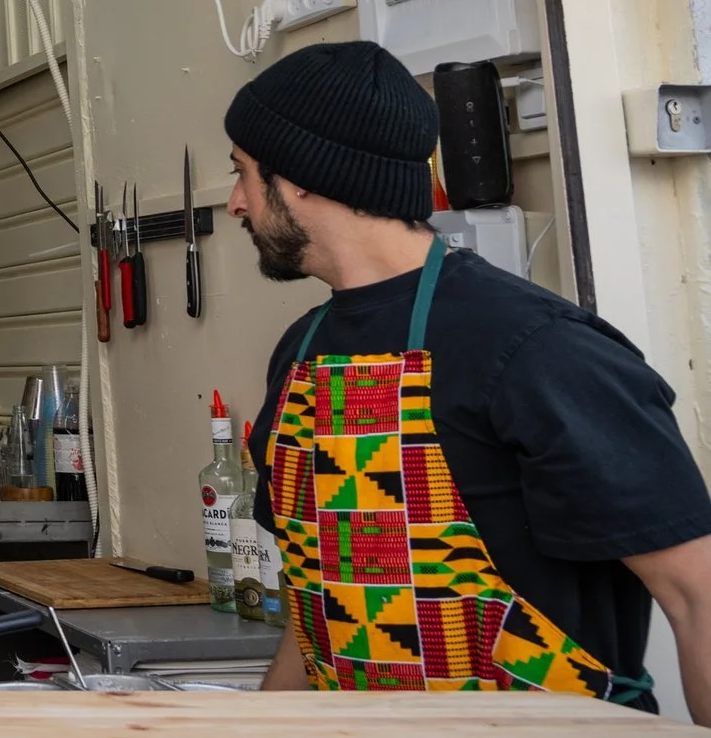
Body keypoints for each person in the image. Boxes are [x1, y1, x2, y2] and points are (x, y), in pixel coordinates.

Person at [226, 39, 711, 717]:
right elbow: (323, 611)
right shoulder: (300, 352)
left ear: (303, 175)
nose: (235, 202)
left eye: (244, 172)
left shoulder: (537, 348)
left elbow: (697, 594)